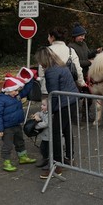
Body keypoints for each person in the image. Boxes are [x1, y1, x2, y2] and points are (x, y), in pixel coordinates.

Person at [35, 46, 79, 179]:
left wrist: (51, 110)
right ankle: (69, 158)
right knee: (66, 130)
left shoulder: (51, 71)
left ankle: (57, 165)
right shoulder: (60, 65)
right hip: (70, 101)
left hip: (63, 104)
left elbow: (53, 94)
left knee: (55, 133)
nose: (40, 64)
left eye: (39, 61)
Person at [0, 75, 37, 172]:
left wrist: (30, 79)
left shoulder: (16, 96)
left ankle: (22, 157)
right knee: (7, 145)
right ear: (8, 90)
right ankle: (6, 161)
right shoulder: (0, 100)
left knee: (20, 141)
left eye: (17, 90)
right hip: (7, 128)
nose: (17, 92)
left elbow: (26, 90)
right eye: (15, 90)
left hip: (17, 125)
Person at [39, 26, 86, 94]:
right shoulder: (71, 51)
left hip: (49, 90)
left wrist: (43, 88)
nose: (48, 38)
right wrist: (82, 83)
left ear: (52, 37)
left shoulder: (45, 52)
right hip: (68, 90)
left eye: (48, 36)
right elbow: (78, 70)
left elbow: (41, 74)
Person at [68, 23, 100, 121]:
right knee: (75, 97)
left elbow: (88, 54)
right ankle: (73, 117)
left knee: (89, 96)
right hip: (75, 76)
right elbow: (75, 63)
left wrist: (95, 51)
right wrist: (89, 62)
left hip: (87, 74)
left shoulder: (84, 44)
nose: (83, 38)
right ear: (75, 36)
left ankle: (85, 115)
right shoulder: (70, 47)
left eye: (83, 35)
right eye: (81, 36)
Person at [32, 98, 50, 168]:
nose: (41, 106)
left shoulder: (49, 114)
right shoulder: (43, 112)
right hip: (45, 136)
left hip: (49, 136)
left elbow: (46, 124)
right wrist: (36, 115)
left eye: (44, 105)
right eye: (42, 105)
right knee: (43, 148)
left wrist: (35, 126)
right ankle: (45, 159)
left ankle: (50, 160)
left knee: (49, 149)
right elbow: (39, 113)